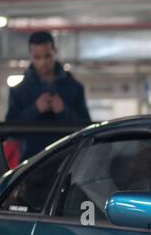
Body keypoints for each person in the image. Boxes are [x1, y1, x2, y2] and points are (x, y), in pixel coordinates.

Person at [6, 30, 91, 160]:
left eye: (47, 56)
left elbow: (87, 126)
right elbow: (10, 131)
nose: (43, 62)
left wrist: (64, 111)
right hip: (32, 163)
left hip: (67, 159)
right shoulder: (19, 90)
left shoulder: (74, 87)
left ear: (54, 53)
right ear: (30, 56)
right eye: (37, 58)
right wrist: (35, 109)